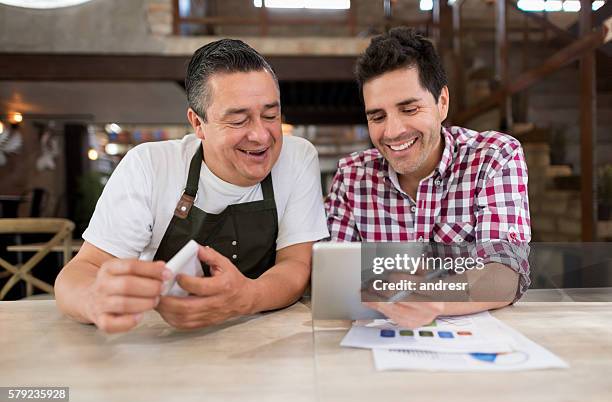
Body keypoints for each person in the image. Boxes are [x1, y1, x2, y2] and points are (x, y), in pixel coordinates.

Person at [55, 39, 329, 333]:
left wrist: (244, 298)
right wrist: (94, 300)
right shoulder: (149, 166)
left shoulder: (297, 157)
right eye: (238, 121)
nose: (261, 136)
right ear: (198, 123)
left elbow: (295, 266)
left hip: (264, 339)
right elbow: (82, 270)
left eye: (271, 116)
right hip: (165, 340)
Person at [325, 27, 530, 328]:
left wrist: (432, 297)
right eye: (377, 117)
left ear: (442, 103)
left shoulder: (494, 157)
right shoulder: (351, 176)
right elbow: (333, 282)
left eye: (409, 109)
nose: (393, 132)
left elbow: (504, 272)